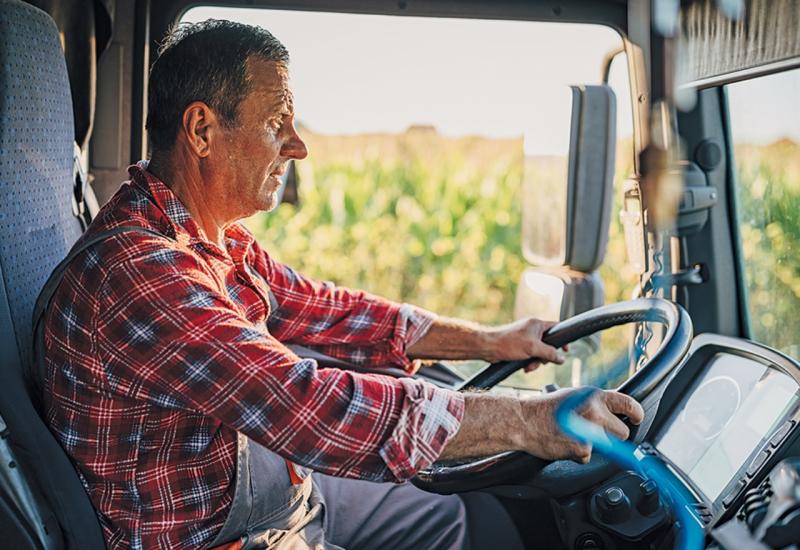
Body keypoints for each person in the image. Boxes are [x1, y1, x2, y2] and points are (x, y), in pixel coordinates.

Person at [41, 19, 644, 550]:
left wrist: (492, 342)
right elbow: (306, 403)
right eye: (278, 122)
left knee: (449, 523)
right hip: (216, 537)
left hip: (256, 489)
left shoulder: (205, 238)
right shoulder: (140, 274)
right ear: (201, 131)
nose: (298, 146)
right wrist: (531, 421)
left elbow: (325, 311)